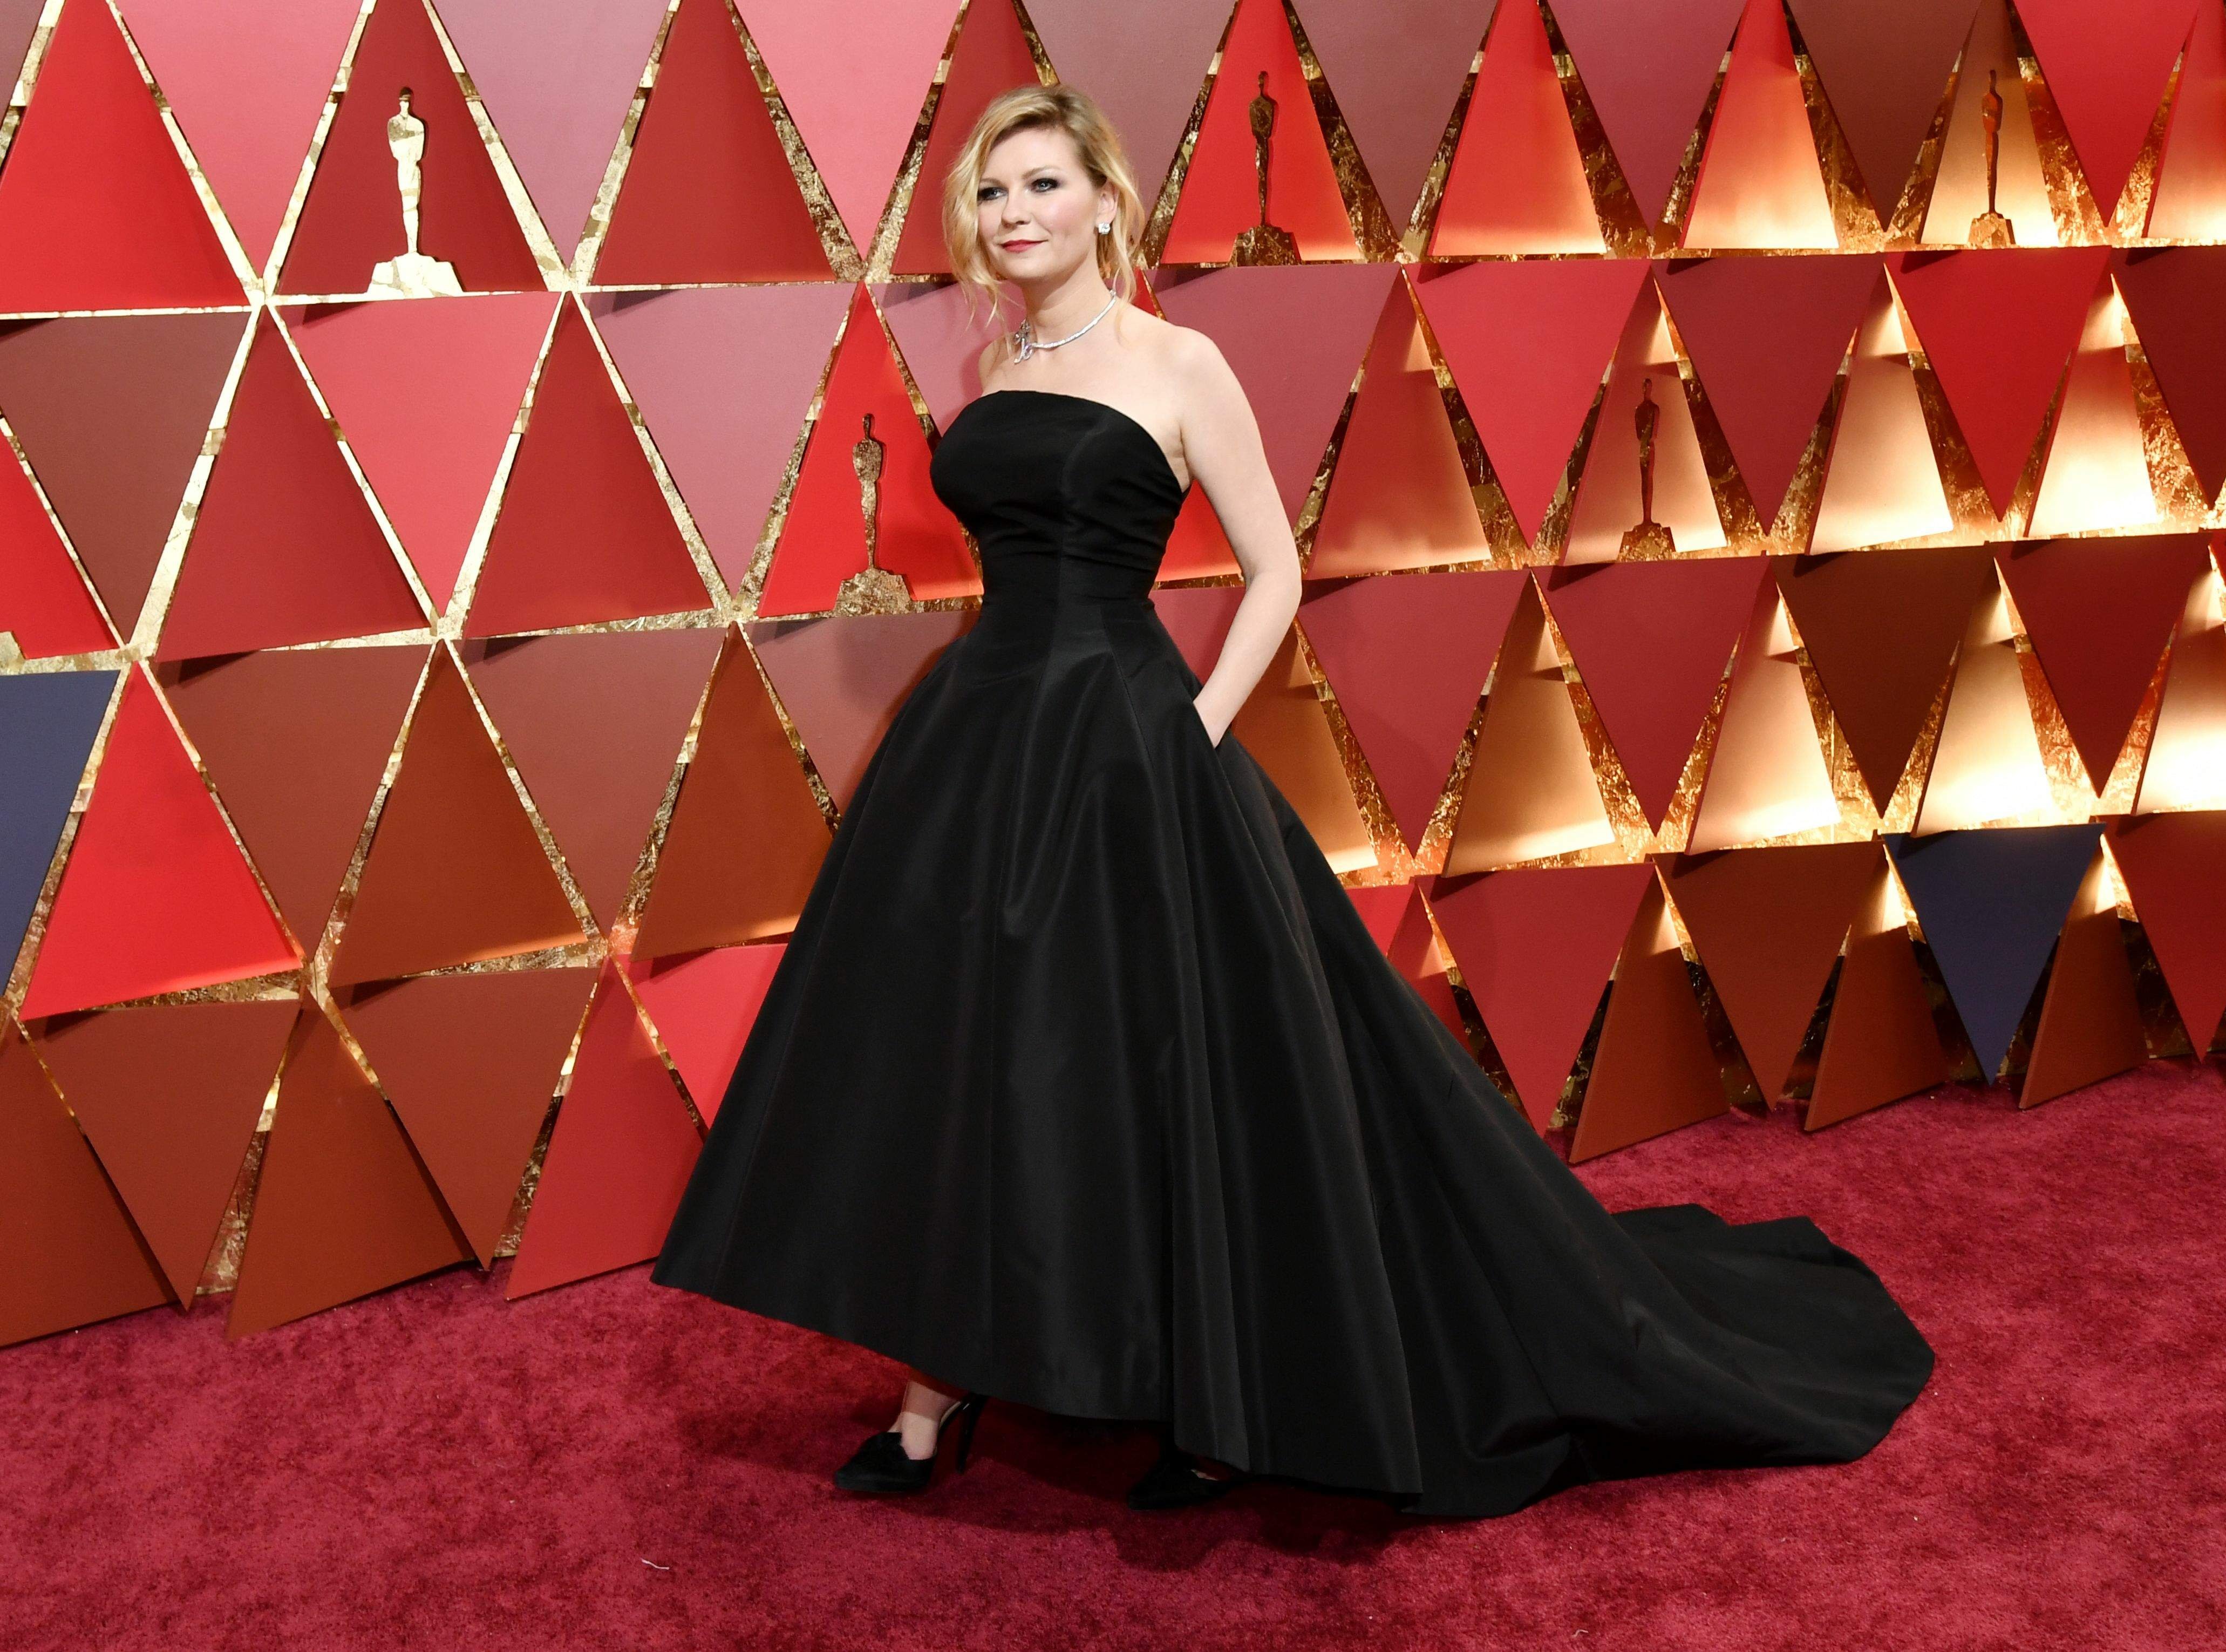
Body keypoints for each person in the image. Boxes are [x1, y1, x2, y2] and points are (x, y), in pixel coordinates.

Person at [647, 83, 1937, 1518]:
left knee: (1170, 1072)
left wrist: (1192, 727)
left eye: (1041, 185)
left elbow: (1275, 569)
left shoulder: (1179, 362)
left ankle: (1217, 1398)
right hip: (975, 743)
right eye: (992, 195)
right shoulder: (999, 367)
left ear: (1105, 200)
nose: (1014, 215)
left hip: (1125, 743)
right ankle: (935, 1390)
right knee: (977, 1066)